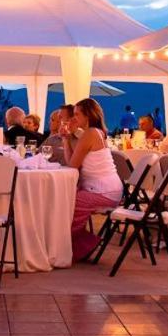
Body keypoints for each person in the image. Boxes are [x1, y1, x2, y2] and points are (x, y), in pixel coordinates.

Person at [64, 98, 123, 263]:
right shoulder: (94, 132)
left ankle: (72, 246)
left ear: (88, 115)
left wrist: (69, 137)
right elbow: (73, 164)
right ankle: (80, 246)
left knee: (66, 203)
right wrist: (66, 138)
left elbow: (72, 166)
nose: (73, 118)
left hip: (104, 191)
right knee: (65, 201)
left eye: (77, 114)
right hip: (109, 189)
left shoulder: (90, 133)